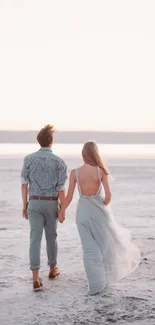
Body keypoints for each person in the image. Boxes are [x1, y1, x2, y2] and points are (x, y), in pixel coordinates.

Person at [58, 141, 140, 295]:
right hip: (98, 213)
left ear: (83, 155)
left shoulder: (75, 172)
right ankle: (102, 283)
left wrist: (62, 210)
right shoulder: (101, 171)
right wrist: (101, 205)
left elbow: (68, 197)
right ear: (95, 154)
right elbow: (108, 196)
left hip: (82, 214)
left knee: (89, 250)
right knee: (104, 247)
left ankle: (94, 286)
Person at [21, 124, 67, 291]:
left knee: (35, 238)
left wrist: (24, 205)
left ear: (38, 141)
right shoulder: (59, 162)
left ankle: (35, 276)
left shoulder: (28, 159)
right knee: (51, 237)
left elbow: (24, 185)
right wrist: (62, 210)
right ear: (51, 142)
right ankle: (53, 269)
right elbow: (61, 189)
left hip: (34, 202)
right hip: (51, 202)